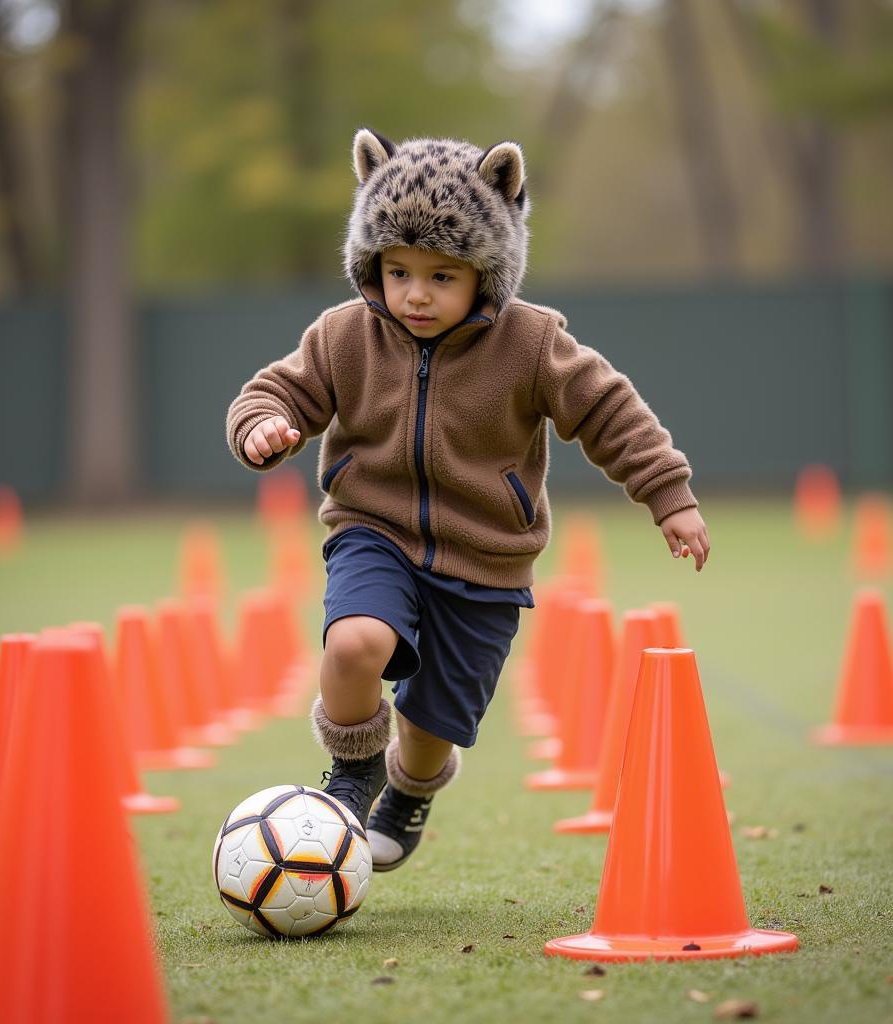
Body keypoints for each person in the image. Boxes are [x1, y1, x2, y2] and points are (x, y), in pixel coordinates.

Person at [226, 129, 709, 872]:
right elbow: (276, 390)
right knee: (355, 643)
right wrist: (261, 426)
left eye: (442, 276)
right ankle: (352, 776)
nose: (415, 294)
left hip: (487, 563)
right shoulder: (344, 336)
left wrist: (668, 495)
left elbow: (610, 411)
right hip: (373, 530)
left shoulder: (532, 342)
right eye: (397, 271)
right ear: (371, 264)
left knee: (428, 729)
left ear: (486, 270)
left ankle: (407, 795)